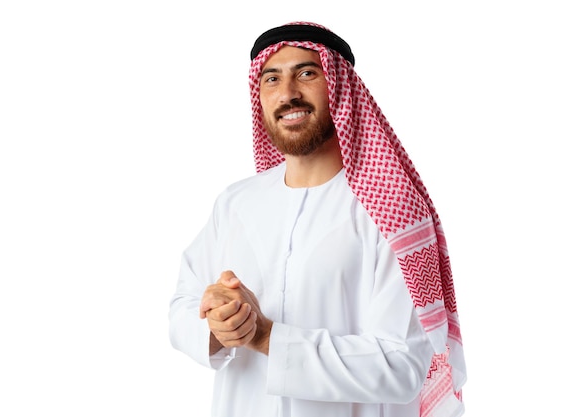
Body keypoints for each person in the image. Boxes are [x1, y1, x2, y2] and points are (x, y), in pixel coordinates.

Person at [169, 21, 466, 417]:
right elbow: (182, 306)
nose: (287, 94)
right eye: (271, 79)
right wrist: (219, 324)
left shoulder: (392, 211)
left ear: (341, 89)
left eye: (307, 73)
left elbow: (402, 366)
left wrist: (266, 336)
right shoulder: (236, 203)